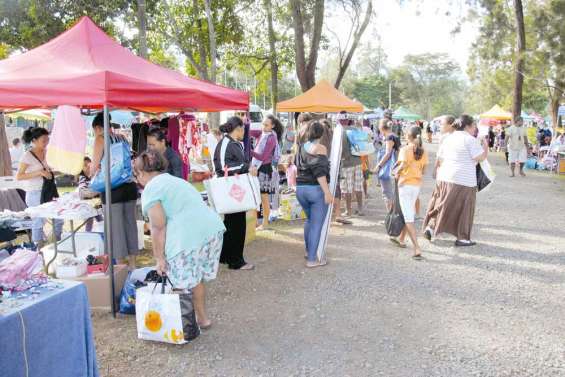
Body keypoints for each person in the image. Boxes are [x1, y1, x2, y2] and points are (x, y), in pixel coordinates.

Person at [135, 150, 225, 329]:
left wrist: (159, 258)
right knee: (195, 279)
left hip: (186, 238)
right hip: (210, 232)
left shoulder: (151, 189)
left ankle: (180, 325)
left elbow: (158, 226)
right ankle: (202, 319)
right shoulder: (176, 180)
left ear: (141, 174)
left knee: (179, 283)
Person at [423, 115, 489, 247]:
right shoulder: (470, 140)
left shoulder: (448, 137)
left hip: (445, 177)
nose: (475, 129)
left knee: (441, 203)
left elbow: (440, 158)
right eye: (474, 126)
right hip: (464, 180)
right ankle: (463, 237)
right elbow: (481, 157)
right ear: (468, 126)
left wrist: (437, 170)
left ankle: (430, 227)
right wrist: (485, 145)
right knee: (464, 208)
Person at [90, 112, 139, 270]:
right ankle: (132, 265)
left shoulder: (100, 139)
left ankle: (120, 268)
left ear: (97, 127)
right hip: (129, 186)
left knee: (115, 229)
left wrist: (90, 172)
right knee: (130, 225)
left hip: (112, 188)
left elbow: (93, 166)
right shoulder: (122, 138)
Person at [213, 116, 257, 270]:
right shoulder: (227, 143)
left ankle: (226, 256)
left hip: (234, 187)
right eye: (243, 128)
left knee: (232, 223)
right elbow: (222, 168)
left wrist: (244, 168)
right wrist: (245, 168)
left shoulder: (232, 143)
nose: (244, 131)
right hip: (231, 188)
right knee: (236, 224)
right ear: (238, 128)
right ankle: (236, 261)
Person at [16, 127, 63, 244]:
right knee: (38, 223)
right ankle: (37, 251)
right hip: (34, 193)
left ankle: (53, 245)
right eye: (44, 140)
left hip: (49, 191)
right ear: (34, 140)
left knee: (59, 219)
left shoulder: (46, 152)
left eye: (48, 140)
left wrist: (62, 171)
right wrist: (39, 172)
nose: (46, 143)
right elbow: (19, 176)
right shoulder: (27, 155)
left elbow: (48, 172)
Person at [295, 121, 333, 268]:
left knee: (310, 221)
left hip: (301, 189)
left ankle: (308, 250)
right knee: (316, 224)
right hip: (315, 190)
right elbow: (320, 172)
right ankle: (312, 259)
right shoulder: (320, 148)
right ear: (321, 133)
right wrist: (327, 192)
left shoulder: (301, 147)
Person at [391, 126, 428, 259]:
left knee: (408, 217)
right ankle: (401, 239)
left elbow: (402, 166)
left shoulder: (405, 150)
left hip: (405, 185)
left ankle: (417, 248)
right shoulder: (423, 151)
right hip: (416, 185)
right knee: (409, 212)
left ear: (409, 136)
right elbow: (423, 171)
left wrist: (395, 172)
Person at [251, 115, 283, 229]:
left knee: (264, 197)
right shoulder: (262, 133)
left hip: (265, 169)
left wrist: (249, 152)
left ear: (272, 126)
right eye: (263, 124)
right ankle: (254, 222)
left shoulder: (271, 138)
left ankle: (265, 223)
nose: (263, 127)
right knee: (255, 196)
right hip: (257, 168)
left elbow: (263, 156)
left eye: (266, 125)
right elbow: (248, 132)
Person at [338, 112, 364, 217]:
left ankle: (348, 210)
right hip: (358, 162)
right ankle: (360, 209)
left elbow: (341, 150)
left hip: (346, 163)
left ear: (339, 120)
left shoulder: (340, 132)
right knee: (358, 186)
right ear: (348, 120)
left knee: (346, 188)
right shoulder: (355, 130)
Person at [373, 119, 401, 212]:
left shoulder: (389, 137)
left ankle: (391, 217)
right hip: (396, 167)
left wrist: (379, 166)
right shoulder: (395, 136)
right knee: (393, 193)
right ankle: (394, 215)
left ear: (381, 127)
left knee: (387, 193)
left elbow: (388, 153)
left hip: (388, 169)